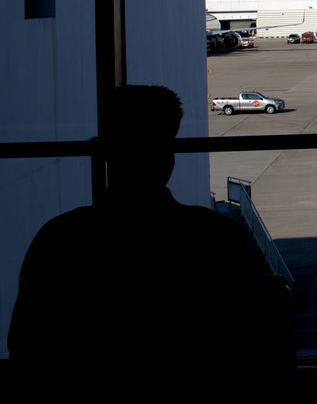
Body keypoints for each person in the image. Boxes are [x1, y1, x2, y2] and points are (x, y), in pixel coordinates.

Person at [8, 85, 293, 399]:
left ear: (105, 154)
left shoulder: (58, 241)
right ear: (169, 159)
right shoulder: (216, 237)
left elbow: (26, 349)